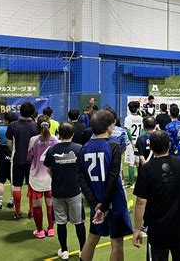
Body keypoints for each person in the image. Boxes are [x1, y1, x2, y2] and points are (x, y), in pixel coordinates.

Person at [132, 131, 180, 261]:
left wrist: (137, 229)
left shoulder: (146, 169)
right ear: (169, 145)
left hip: (157, 229)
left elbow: (141, 201)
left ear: (150, 147)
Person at [78, 110, 133, 261]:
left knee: (92, 239)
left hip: (96, 201)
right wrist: (104, 206)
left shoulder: (84, 148)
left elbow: (81, 179)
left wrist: (95, 204)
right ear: (109, 126)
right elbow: (113, 178)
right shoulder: (113, 146)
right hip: (114, 202)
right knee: (116, 243)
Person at [44, 122, 86, 260]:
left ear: (59, 134)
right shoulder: (80, 149)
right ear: (73, 134)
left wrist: (56, 178)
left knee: (61, 222)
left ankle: (64, 250)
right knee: (79, 221)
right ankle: (83, 250)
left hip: (57, 190)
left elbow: (48, 169)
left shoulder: (52, 150)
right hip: (74, 190)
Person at [6, 101, 39, 219]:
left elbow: (9, 144)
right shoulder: (36, 126)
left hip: (18, 159)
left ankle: (17, 211)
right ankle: (31, 211)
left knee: (17, 185)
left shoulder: (13, 125)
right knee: (32, 186)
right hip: (33, 161)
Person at [28, 115, 58, 238]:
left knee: (37, 205)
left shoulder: (33, 140)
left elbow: (29, 156)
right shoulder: (55, 139)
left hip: (36, 177)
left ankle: (40, 231)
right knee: (50, 204)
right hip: (51, 177)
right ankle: (51, 229)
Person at [0, 111, 17, 211]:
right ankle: (12, 201)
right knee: (14, 183)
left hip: (2, 158)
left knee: (0, 182)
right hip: (13, 158)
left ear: (6, 120)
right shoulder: (17, 129)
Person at [124, 101, 143, 187]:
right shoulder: (141, 118)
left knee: (131, 162)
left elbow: (127, 130)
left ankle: (131, 182)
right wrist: (139, 140)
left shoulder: (127, 118)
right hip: (139, 141)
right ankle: (140, 181)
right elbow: (143, 130)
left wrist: (132, 141)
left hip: (130, 143)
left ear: (129, 109)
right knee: (139, 162)